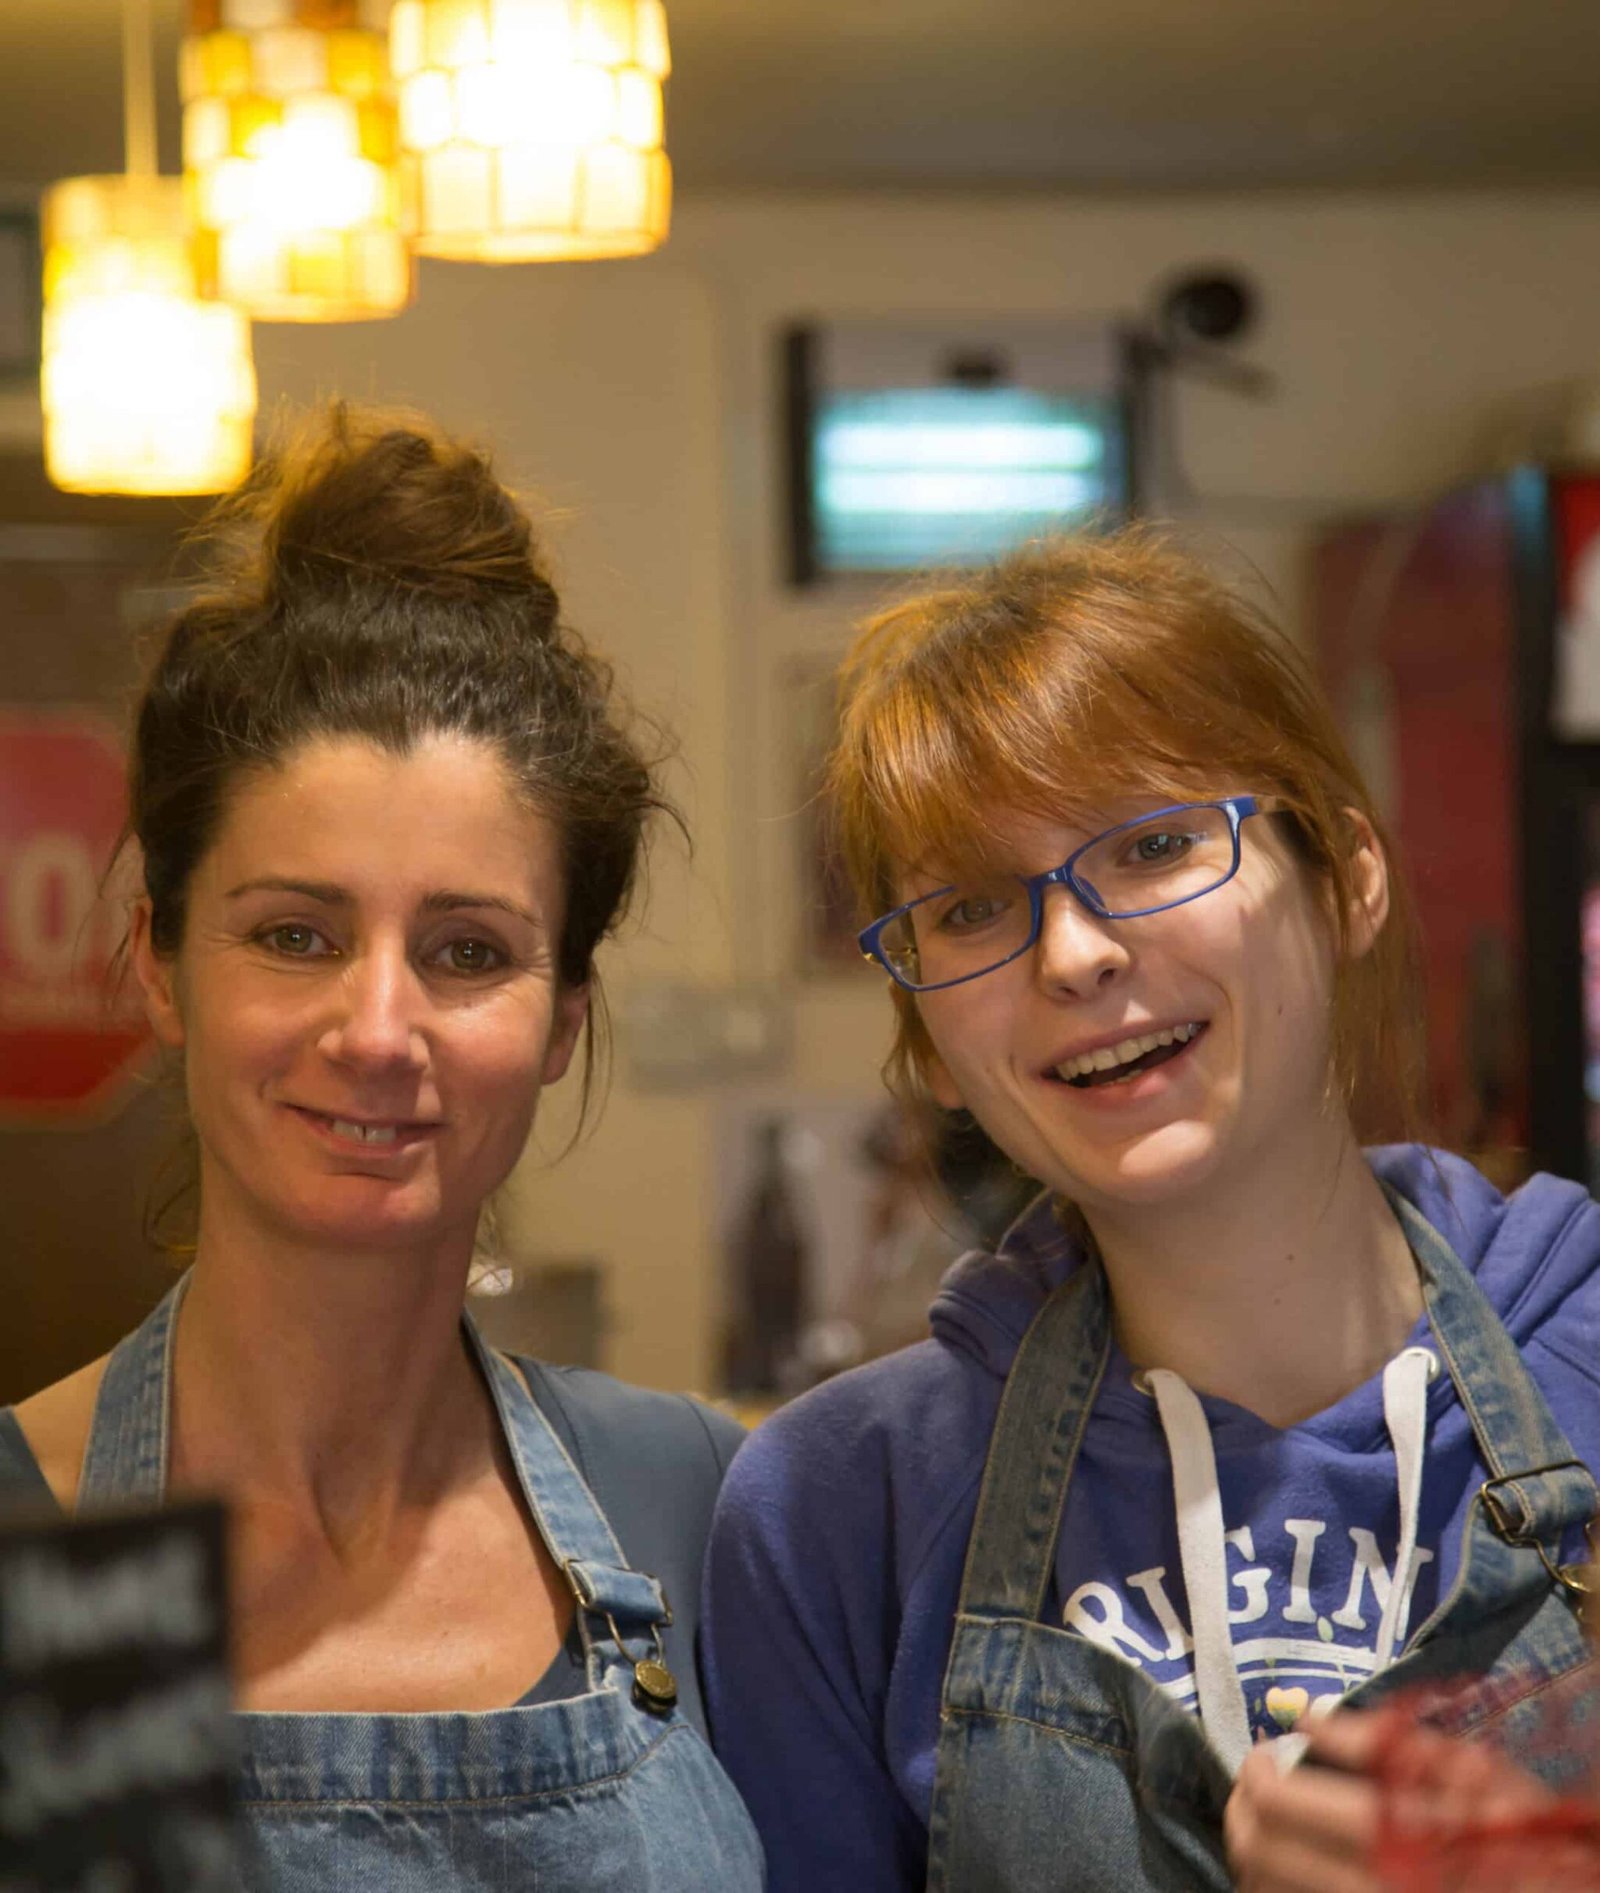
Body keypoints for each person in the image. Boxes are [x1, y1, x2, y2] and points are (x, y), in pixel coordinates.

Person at [700, 531, 1600, 1891]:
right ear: (932, 1043)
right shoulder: (840, 1507)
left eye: (1159, 842)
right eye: (972, 906)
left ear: (1348, 873)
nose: (1075, 951)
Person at [0, 406, 763, 1891]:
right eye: (296, 933)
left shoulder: (692, 1501)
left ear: (559, 1019)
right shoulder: (32, 1527)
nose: (377, 1026)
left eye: (469, 949)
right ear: (159, 963)